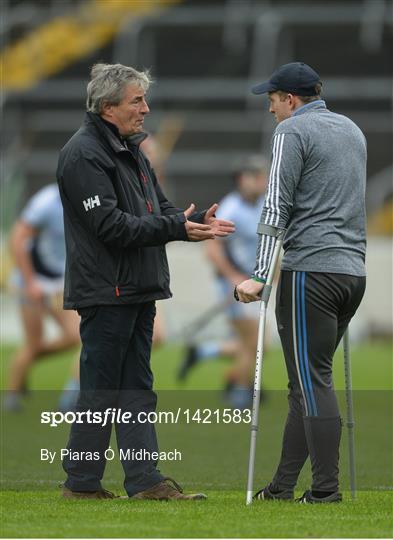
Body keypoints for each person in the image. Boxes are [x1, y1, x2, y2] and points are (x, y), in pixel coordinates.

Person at [56, 63, 235, 500]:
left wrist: (188, 221)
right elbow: (110, 226)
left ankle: (145, 481)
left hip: (136, 286)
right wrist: (173, 228)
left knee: (136, 388)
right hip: (108, 289)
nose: (146, 109)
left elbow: (158, 208)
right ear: (107, 106)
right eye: (137, 101)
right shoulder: (84, 154)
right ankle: (81, 484)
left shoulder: (131, 148)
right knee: (103, 391)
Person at [236, 62, 366, 503]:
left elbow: (276, 207)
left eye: (272, 100)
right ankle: (282, 487)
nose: (270, 110)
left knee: (312, 382)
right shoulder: (351, 129)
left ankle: (326, 491)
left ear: (290, 99)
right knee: (306, 383)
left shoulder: (291, 132)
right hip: (352, 272)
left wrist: (258, 275)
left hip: (311, 270)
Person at [178, 156, 270, 409]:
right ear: (242, 179)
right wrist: (233, 277)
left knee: (258, 343)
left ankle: (204, 354)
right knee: (255, 341)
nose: (263, 180)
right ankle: (240, 392)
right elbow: (213, 250)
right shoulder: (230, 208)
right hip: (236, 286)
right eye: (256, 175)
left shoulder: (264, 204)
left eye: (263, 174)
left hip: (253, 284)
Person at [5, 184, 80, 411]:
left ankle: (25, 364)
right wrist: (30, 283)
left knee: (76, 335)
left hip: (57, 281)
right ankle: (11, 397)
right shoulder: (47, 201)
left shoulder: (84, 199)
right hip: (32, 282)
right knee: (33, 342)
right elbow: (17, 239)